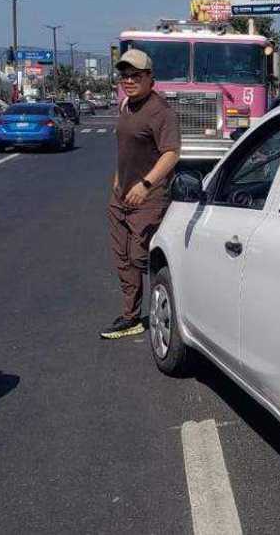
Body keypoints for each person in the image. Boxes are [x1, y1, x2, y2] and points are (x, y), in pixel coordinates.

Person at [101, 49, 180, 340]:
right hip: (120, 197)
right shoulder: (126, 106)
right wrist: (119, 179)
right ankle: (131, 316)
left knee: (139, 257)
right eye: (125, 75)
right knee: (122, 259)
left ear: (150, 78)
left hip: (149, 198)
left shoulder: (160, 112)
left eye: (136, 75)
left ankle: (173, 308)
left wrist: (146, 185)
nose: (129, 80)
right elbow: (126, 149)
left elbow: (171, 153)